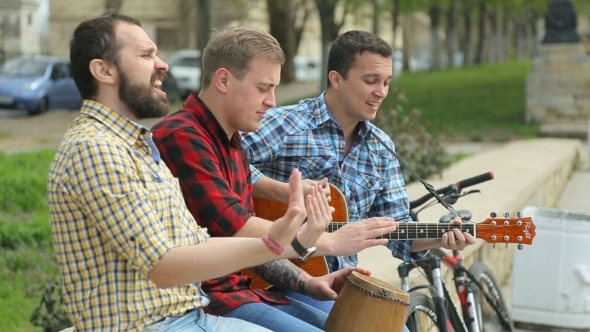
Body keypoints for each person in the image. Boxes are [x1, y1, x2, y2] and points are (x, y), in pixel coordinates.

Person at [47, 12, 330, 332]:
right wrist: (291, 242)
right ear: (104, 70)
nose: (163, 64)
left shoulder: (133, 146)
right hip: (154, 324)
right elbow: (163, 266)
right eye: (146, 54)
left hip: (188, 315)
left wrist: (286, 246)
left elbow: (196, 242)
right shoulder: (95, 149)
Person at [151, 26, 401, 331]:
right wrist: (329, 242)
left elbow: (251, 246)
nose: (272, 101)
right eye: (263, 88)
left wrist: (307, 282)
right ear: (224, 80)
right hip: (206, 303)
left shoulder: (232, 142)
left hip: (244, 292)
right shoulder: (183, 135)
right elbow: (238, 228)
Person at [241, 30, 477, 314]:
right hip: (272, 276)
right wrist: (284, 193)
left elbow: (396, 228)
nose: (381, 92)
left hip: (342, 282)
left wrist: (441, 237)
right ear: (336, 79)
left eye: (387, 82)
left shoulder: (381, 148)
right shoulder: (286, 124)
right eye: (371, 81)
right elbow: (222, 165)